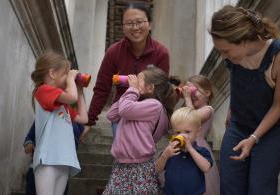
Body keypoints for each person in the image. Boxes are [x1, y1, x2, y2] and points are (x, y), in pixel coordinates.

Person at [209, 5, 280, 195]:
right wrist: (233, 109)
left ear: (244, 41)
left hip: (270, 131)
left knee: (260, 188)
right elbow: (239, 84)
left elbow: (278, 106)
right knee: (230, 186)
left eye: (226, 51)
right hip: (238, 127)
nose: (224, 57)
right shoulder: (233, 57)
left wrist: (254, 138)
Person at [81, 2, 170, 140]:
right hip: (121, 115)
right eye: (129, 23)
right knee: (123, 156)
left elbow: (162, 90)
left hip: (148, 116)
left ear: (150, 24)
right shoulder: (114, 52)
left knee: (143, 157)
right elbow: (102, 88)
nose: (135, 27)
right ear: (123, 27)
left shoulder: (161, 53)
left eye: (139, 22)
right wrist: (89, 121)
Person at [102, 66, 176, 194]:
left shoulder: (155, 106)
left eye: (139, 80)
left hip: (140, 166)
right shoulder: (135, 103)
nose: (135, 81)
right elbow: (112, 115)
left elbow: (124, 110)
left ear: (150, 87)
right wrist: (129, 92)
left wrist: (132, 90)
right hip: (121, 165)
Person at [31, 51, 88, 195]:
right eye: (66, 73)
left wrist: (80, 92)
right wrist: (71, 80)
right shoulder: (43, 90)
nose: (69, 77)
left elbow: (83, 119)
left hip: (64, 160)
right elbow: (71, 97)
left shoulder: (63, 105)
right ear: (52, 73)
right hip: (48, 159)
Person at [156, 107, 213, 195]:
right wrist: (165, 156)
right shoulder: (171, 151)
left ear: (198, 132)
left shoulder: (201, 151)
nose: (182, 135)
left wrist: (190, 149)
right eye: (178, 132)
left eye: (187, 132)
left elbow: (206, 168)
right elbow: (157, 169)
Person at [182, 75, 220, 195]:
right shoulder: (189, 107)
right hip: (184, 148)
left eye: (194, 90)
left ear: (207, 93)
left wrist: (187, 98)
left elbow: (191, 119)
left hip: (198, 149)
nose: (191, 94)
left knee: (198, 182)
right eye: (189, 90)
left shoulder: (208, 109)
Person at [23, 121, 84, 195]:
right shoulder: (45, 115)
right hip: (39, 166)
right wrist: (29, 144)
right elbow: (29, 138)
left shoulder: (76, 123)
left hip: (62, 169)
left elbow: (78, 137)